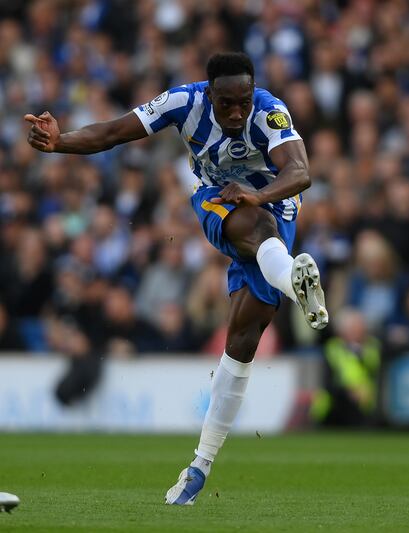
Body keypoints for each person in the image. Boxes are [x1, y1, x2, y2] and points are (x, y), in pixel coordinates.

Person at [24, 52, 328, 505]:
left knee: (242, 342)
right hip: (216, 200)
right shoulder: (180, 103)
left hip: (273, 204)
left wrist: (257, 193)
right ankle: (296, 284)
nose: (237, 112)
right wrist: (61, 141)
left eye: (243, 101)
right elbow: (111, 133)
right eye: (227, 103)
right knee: (256, 230)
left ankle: (199, 467)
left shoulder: (269, 110)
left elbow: (300, 171)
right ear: (210, 94)